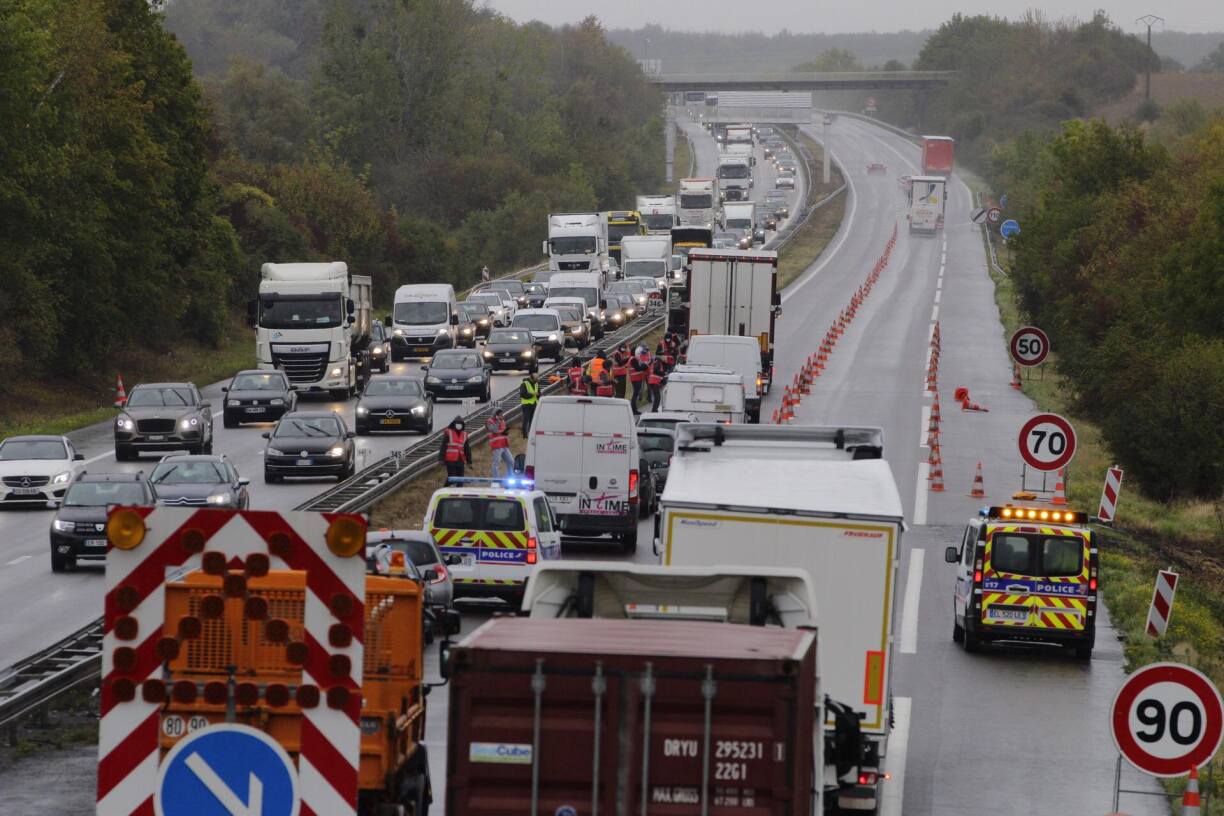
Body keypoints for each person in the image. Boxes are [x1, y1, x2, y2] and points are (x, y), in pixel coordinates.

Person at [438, 417, 471, 481]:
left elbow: (467, 449)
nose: (459, 425)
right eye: (457, 424)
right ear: (454, 424)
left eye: (460, 424)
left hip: (460, 460)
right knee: (452, 478)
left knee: (461, 479)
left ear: (462, 425)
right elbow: (443, 447)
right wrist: (441, 459)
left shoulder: (464, 434)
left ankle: (458, 488)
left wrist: (469, 461)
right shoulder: (449, 433)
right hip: (450, 460)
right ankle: (447, 487)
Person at [485, 409, 515, 480]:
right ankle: (496, 480)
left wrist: (505, 432)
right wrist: (498, 421)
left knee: (511, 461)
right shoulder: (489, 421)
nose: (502, 415)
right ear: (496, 415)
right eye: (500, 414)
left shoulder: (502, 421)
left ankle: (511, 478)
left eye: (502, 414)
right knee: (496, 463)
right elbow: (494, 430)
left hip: (504, 444)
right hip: (497, 445)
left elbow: (501, 431)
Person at [628, 345, 650, 413]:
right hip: (636, 378)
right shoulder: (633, 359)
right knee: (635, 394)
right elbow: (637, 368)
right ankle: (633, 409)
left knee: (636, 393)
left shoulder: (633, 358)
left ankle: (634, 408)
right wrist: (645, 366)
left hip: (636, 378)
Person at [519, 371, 539, 437]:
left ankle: (531, 433)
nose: (537, 380)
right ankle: (525, 434)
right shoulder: (524, 384)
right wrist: (532, 394)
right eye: (536, 378)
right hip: (526, 405)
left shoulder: (536, 384)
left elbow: (539, 392)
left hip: (534, 404)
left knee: (532, 420)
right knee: (526, 420)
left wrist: (538, 395)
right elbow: (522, 394)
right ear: (531, 379)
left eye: (537, 378)